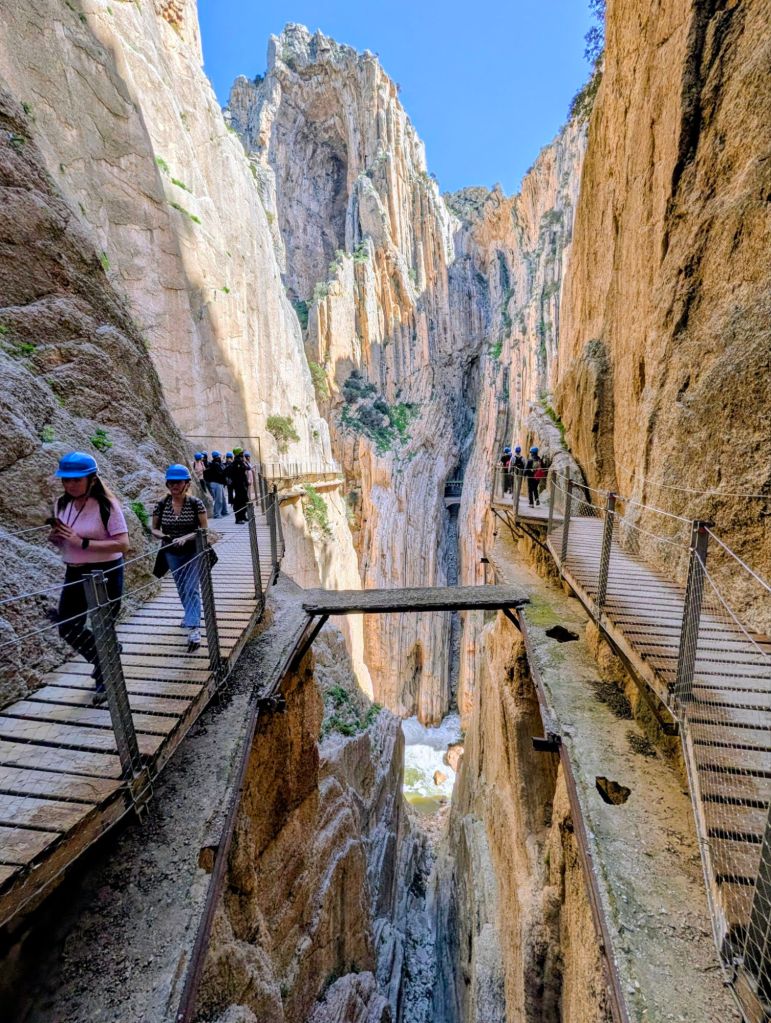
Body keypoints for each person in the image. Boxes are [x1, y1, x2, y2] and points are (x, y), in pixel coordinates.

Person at [49, 452, 130, 706]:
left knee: (103, 626)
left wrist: (82, 542)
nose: (70, 484)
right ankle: (104, 659)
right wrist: (57, 539)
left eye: (76, 479)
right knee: (68, 627)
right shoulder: (61, 504)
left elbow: (123, 544)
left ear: (92, 479)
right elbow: (65, 542)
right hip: (74, 571)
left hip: (105, 571)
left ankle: (105, 678)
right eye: (66, 480)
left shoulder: (107, 506)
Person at [151, 464, 208, 650]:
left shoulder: (195, 503)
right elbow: (154, 529)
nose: (174, 485)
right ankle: (190, 616)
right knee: (182, 587)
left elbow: (203, 529)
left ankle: (194, 629)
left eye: (178, 482)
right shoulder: (161, 504)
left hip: (192, 551)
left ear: (186, 484)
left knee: (191, 588)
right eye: (171, 482)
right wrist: (166, 537)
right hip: (171, 552)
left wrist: (186, 537)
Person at [203, 450, 228, 518]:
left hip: (219, 483)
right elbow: (221, 472)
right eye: (219, 456)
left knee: (223, 498)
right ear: (217, 457)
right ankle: (217, 514)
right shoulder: (215, 465)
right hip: (216, 483)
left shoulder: (216, 464)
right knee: (218, 499)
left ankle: (224, 511)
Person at [229, 448, 251, 523]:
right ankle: (238, 518)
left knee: (244, 500)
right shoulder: (237, 462)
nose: (243, 454)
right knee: (239, 502)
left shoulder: (240, 461)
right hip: (239, 485)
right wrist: (244, 462)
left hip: (242, 485)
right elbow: (247, 468)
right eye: (242, 453)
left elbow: (247, 468)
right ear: (239, 454)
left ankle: (243, 516)